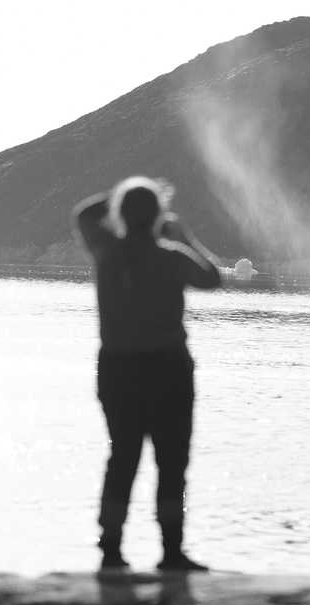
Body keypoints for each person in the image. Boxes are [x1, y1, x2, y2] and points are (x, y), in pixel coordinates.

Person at [71, 176, 222, 572]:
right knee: (172, 464)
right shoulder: (173, 256)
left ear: (120, 214)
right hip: (168, 370)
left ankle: (111, 550)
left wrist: (123, 195)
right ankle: (171, 552)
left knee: (123, 458)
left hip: (118, 369)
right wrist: (184, 235)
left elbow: (84, 213)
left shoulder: (106, 251)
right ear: (158, 216)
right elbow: (212, 278)